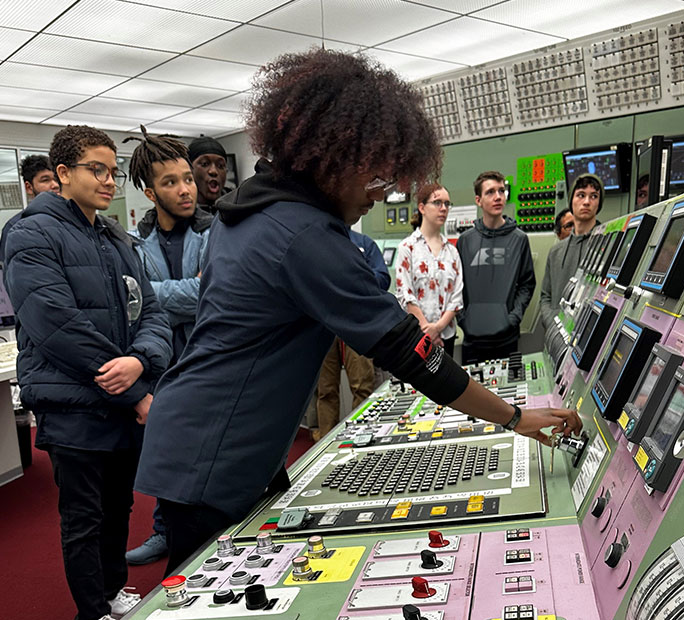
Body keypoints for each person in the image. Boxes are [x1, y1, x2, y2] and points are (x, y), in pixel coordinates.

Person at [133, 50, 581, 575]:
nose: (379, 196)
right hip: (216, 444)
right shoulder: (302, 234)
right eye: (374, 177)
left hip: (211, 428)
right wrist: (514, 416)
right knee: (199, 590)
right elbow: (411, 353)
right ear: (333, 159)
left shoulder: (255, 212)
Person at [4, 125, 172, 620]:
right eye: (96, 169)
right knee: (84, 516)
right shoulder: (29, 232)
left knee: (118, 507)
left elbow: (153, 311)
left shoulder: (113, 236)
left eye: (113, 173)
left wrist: (140, 360)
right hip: (74, 405)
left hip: (118, 402)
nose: (107, 181)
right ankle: (91, 609)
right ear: (62, 173)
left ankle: (113, 588)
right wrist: (137, 392)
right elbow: (54, 324)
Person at [123, 127, 213, 566]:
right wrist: (184, 291)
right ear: (149, 191)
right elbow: (136, 304)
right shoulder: (134, 245)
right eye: (169, 182)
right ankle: (164, 531)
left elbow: (212, 295)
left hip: (210, 361)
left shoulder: (217, 234)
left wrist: (162, 293)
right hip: (161, 366)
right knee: (168, 454)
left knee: (213, 454)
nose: (184, 190)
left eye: (187, 179)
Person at [315, 230, 389, 441]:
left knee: (363, 386)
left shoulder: (364, 244)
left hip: (358, 324)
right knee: (326, 390)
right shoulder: (318, 241)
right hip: (324, 325)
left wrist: (350, 279)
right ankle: (326, 445)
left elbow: (382, 278)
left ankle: (361, 438)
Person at [455, 171, 536, 364]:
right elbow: (456, 286)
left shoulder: (519, 239)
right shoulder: (465, 241)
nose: (498, 197)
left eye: (502, 191)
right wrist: (463, 320)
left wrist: (513, 318)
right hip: (473, 339)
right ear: (478, 200)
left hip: (507, 338)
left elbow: (526, 284)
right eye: (490, 192)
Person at [395, 183, 463, 358]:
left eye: (447, 204)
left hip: (445, 337)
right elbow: (405, 295)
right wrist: (427, 330)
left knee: (446, 384)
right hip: (416, 336)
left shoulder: (452, 251)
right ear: (422, 207)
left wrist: (437, 328)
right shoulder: (407, 248)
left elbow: (456, 297)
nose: (443, 209)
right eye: (437, 203)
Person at [539, 174, 603, 336]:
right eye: (581, 195)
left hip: (590, 336)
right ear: (571, 201)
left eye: (593, 196)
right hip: (556, 335)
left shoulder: (608, 245)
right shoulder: (556, 251)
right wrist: (553, 323)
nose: (587, 202)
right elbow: (546, 296)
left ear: (599, 203)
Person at [1, 155, 60, 264]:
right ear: (29, 187)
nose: (55, 185)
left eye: (57, 179)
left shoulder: (76, 219)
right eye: (45, 180)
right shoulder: (15, 226)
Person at [188, 136, 228, 213]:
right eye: (205, 164)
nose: (213, 171)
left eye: (220, 165)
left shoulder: (239, 210)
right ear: (190, 169)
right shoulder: (178, 216)